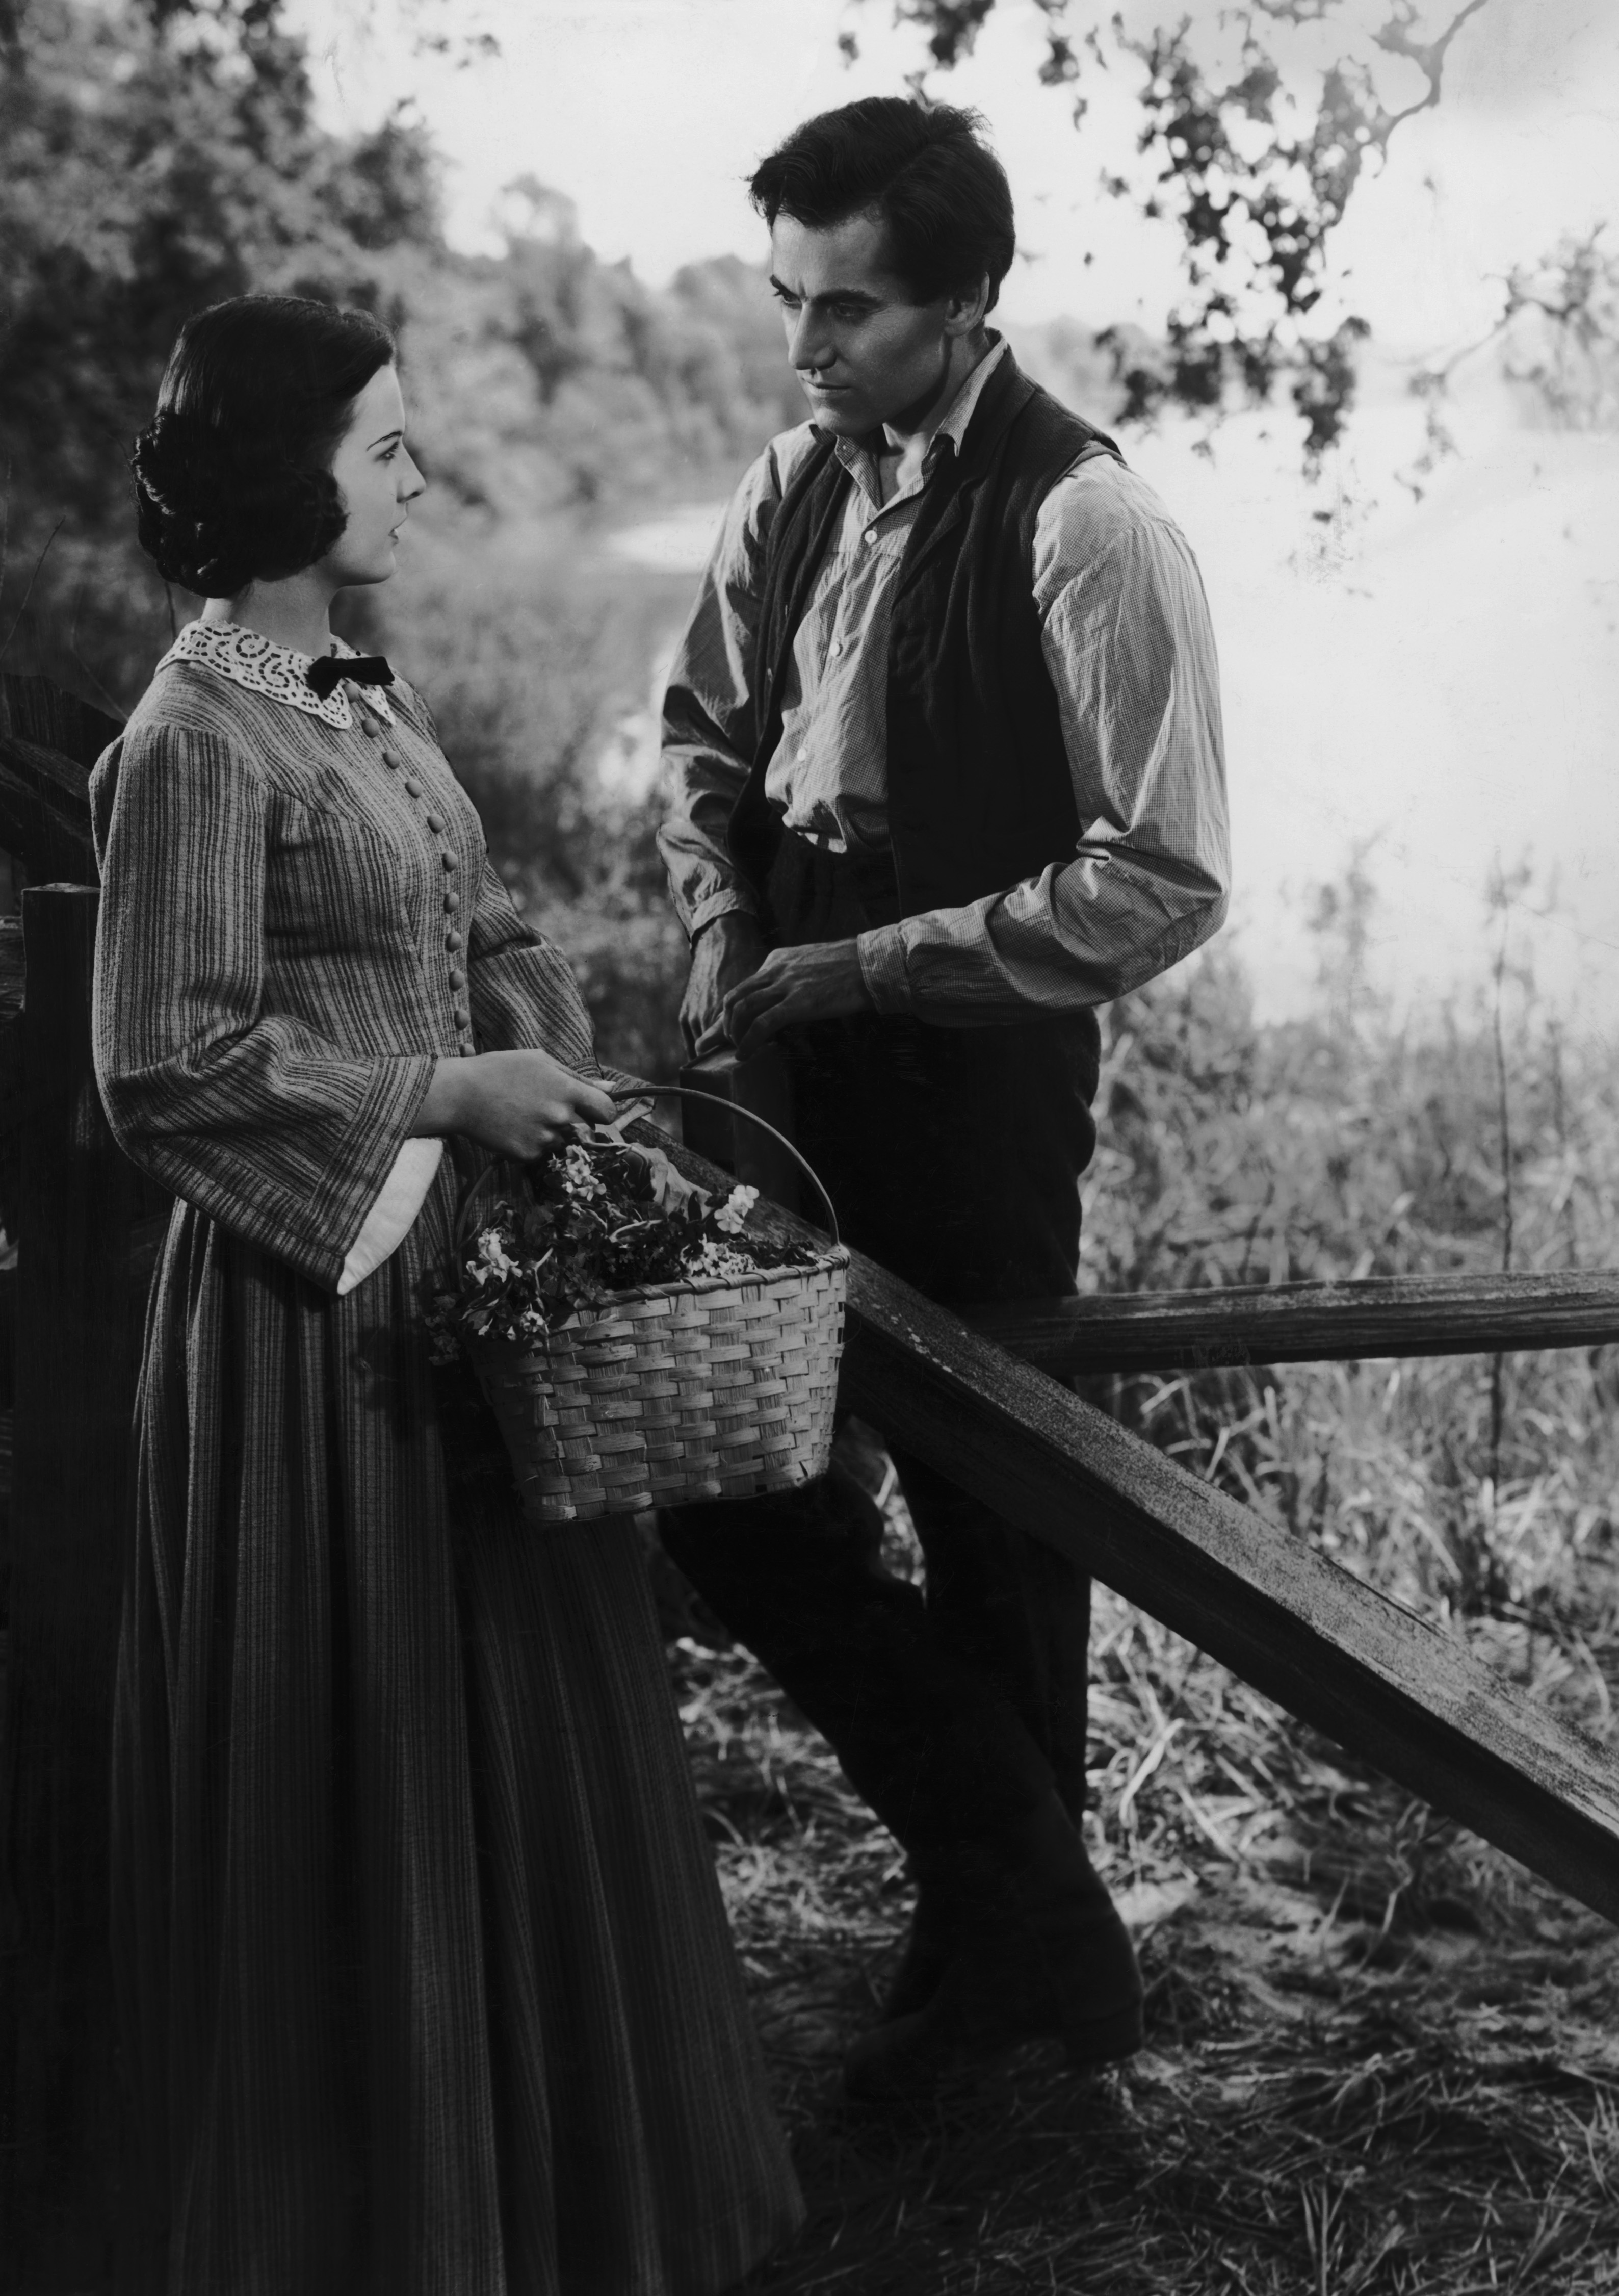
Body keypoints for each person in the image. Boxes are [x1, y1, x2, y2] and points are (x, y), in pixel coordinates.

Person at [92, 293, 803, 2295]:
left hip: (453, 1291)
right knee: (368, 1743)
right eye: (385, 445)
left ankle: (538, 2205)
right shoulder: (191, 738)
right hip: (304, 1329)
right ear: (283, 471)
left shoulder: (345, 691)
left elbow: (480, 918)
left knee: (504, 1708)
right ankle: (391, 2231)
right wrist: (439, 1091)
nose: (415, 473)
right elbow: (160, 1069)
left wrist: (543, 1057)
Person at [655, 97, 1231, 2101]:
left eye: (851, 312)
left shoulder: (1091, 521)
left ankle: (1008, 2002)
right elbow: (694, 733)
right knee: (730, 1490)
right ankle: (1030, 1906)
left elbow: (1161, 876)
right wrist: (719, 905)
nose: (807, 351)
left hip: (974, 1071)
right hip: (780, 1044)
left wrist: (880, 961)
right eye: (789, 303)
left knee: (998, 1527)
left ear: (972, 302)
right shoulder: (789, 479)